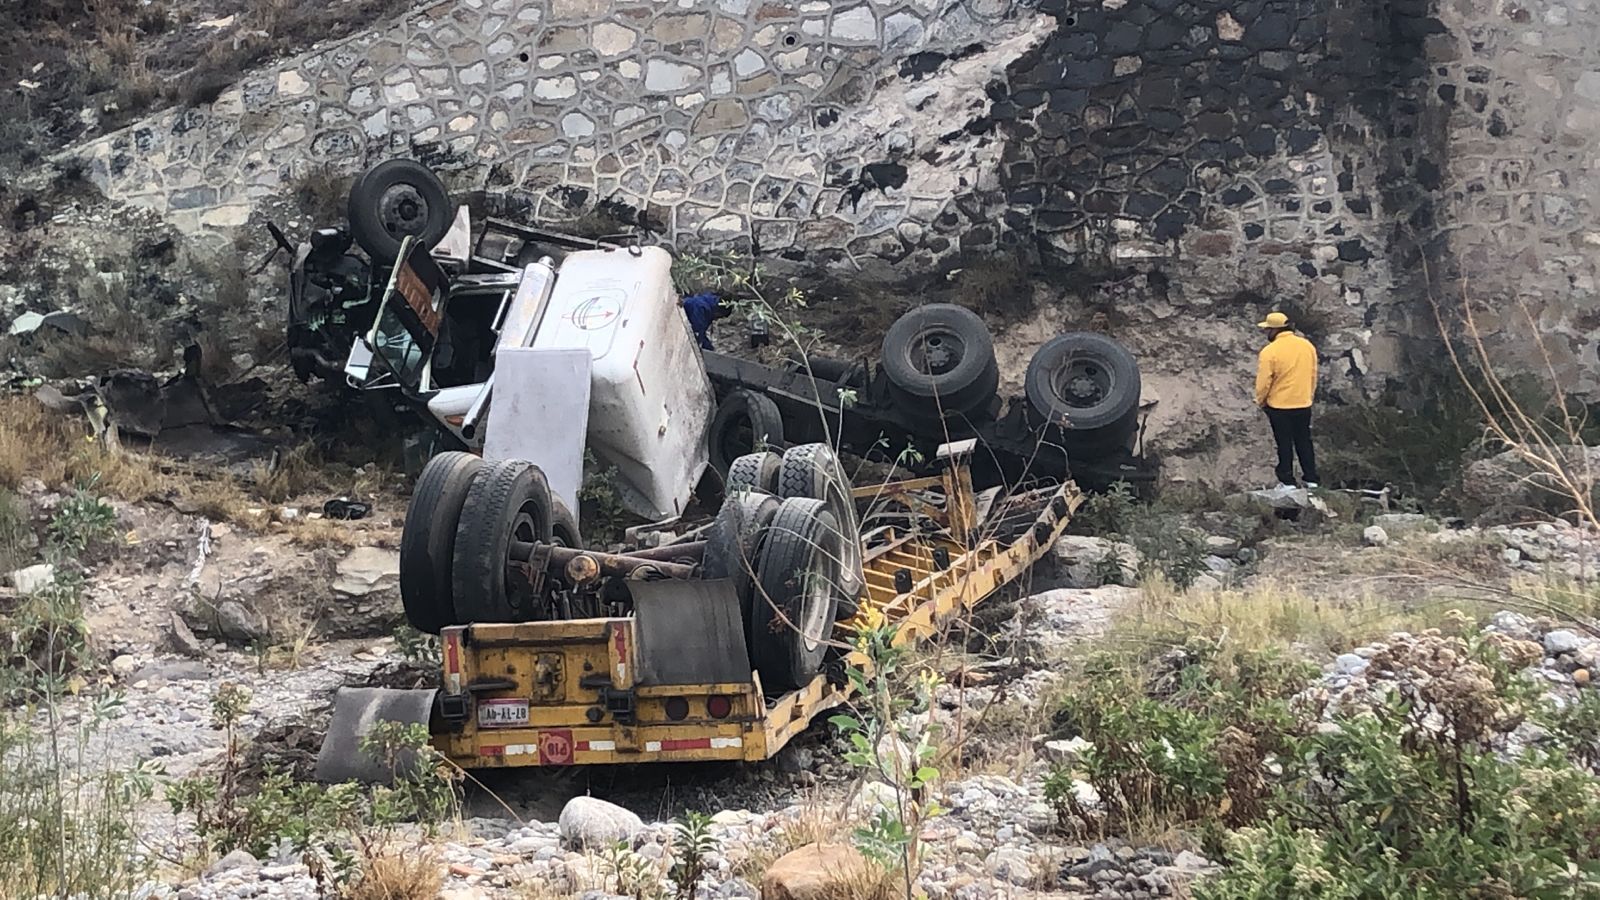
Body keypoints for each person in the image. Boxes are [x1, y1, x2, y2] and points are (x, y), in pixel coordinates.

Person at [1254, 311, 1320, 488]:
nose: (1267, 333)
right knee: (1304, 441)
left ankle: (1287, 480)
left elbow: (1264, 382)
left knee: (1284, 443)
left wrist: (1261, 400)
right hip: (1303, 402)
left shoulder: (1270, 351)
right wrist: (1309, 395)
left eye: (1268, 329)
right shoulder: (1307, 346)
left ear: (1275, 330)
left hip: (1279, 405)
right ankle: (1311, 478)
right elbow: (1313, 374)